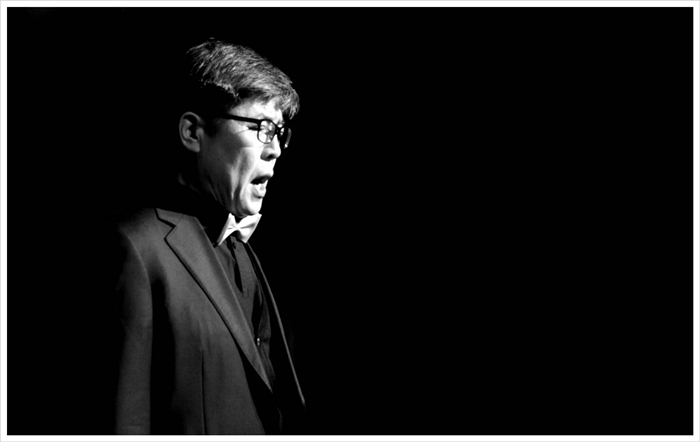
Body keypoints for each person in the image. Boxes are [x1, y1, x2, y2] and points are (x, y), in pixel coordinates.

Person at [72, 39, 305, 435]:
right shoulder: (133, 247)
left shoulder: (242, 251)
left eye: (280, 133)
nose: (276, 150)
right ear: (193, 132)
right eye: (262, 129)